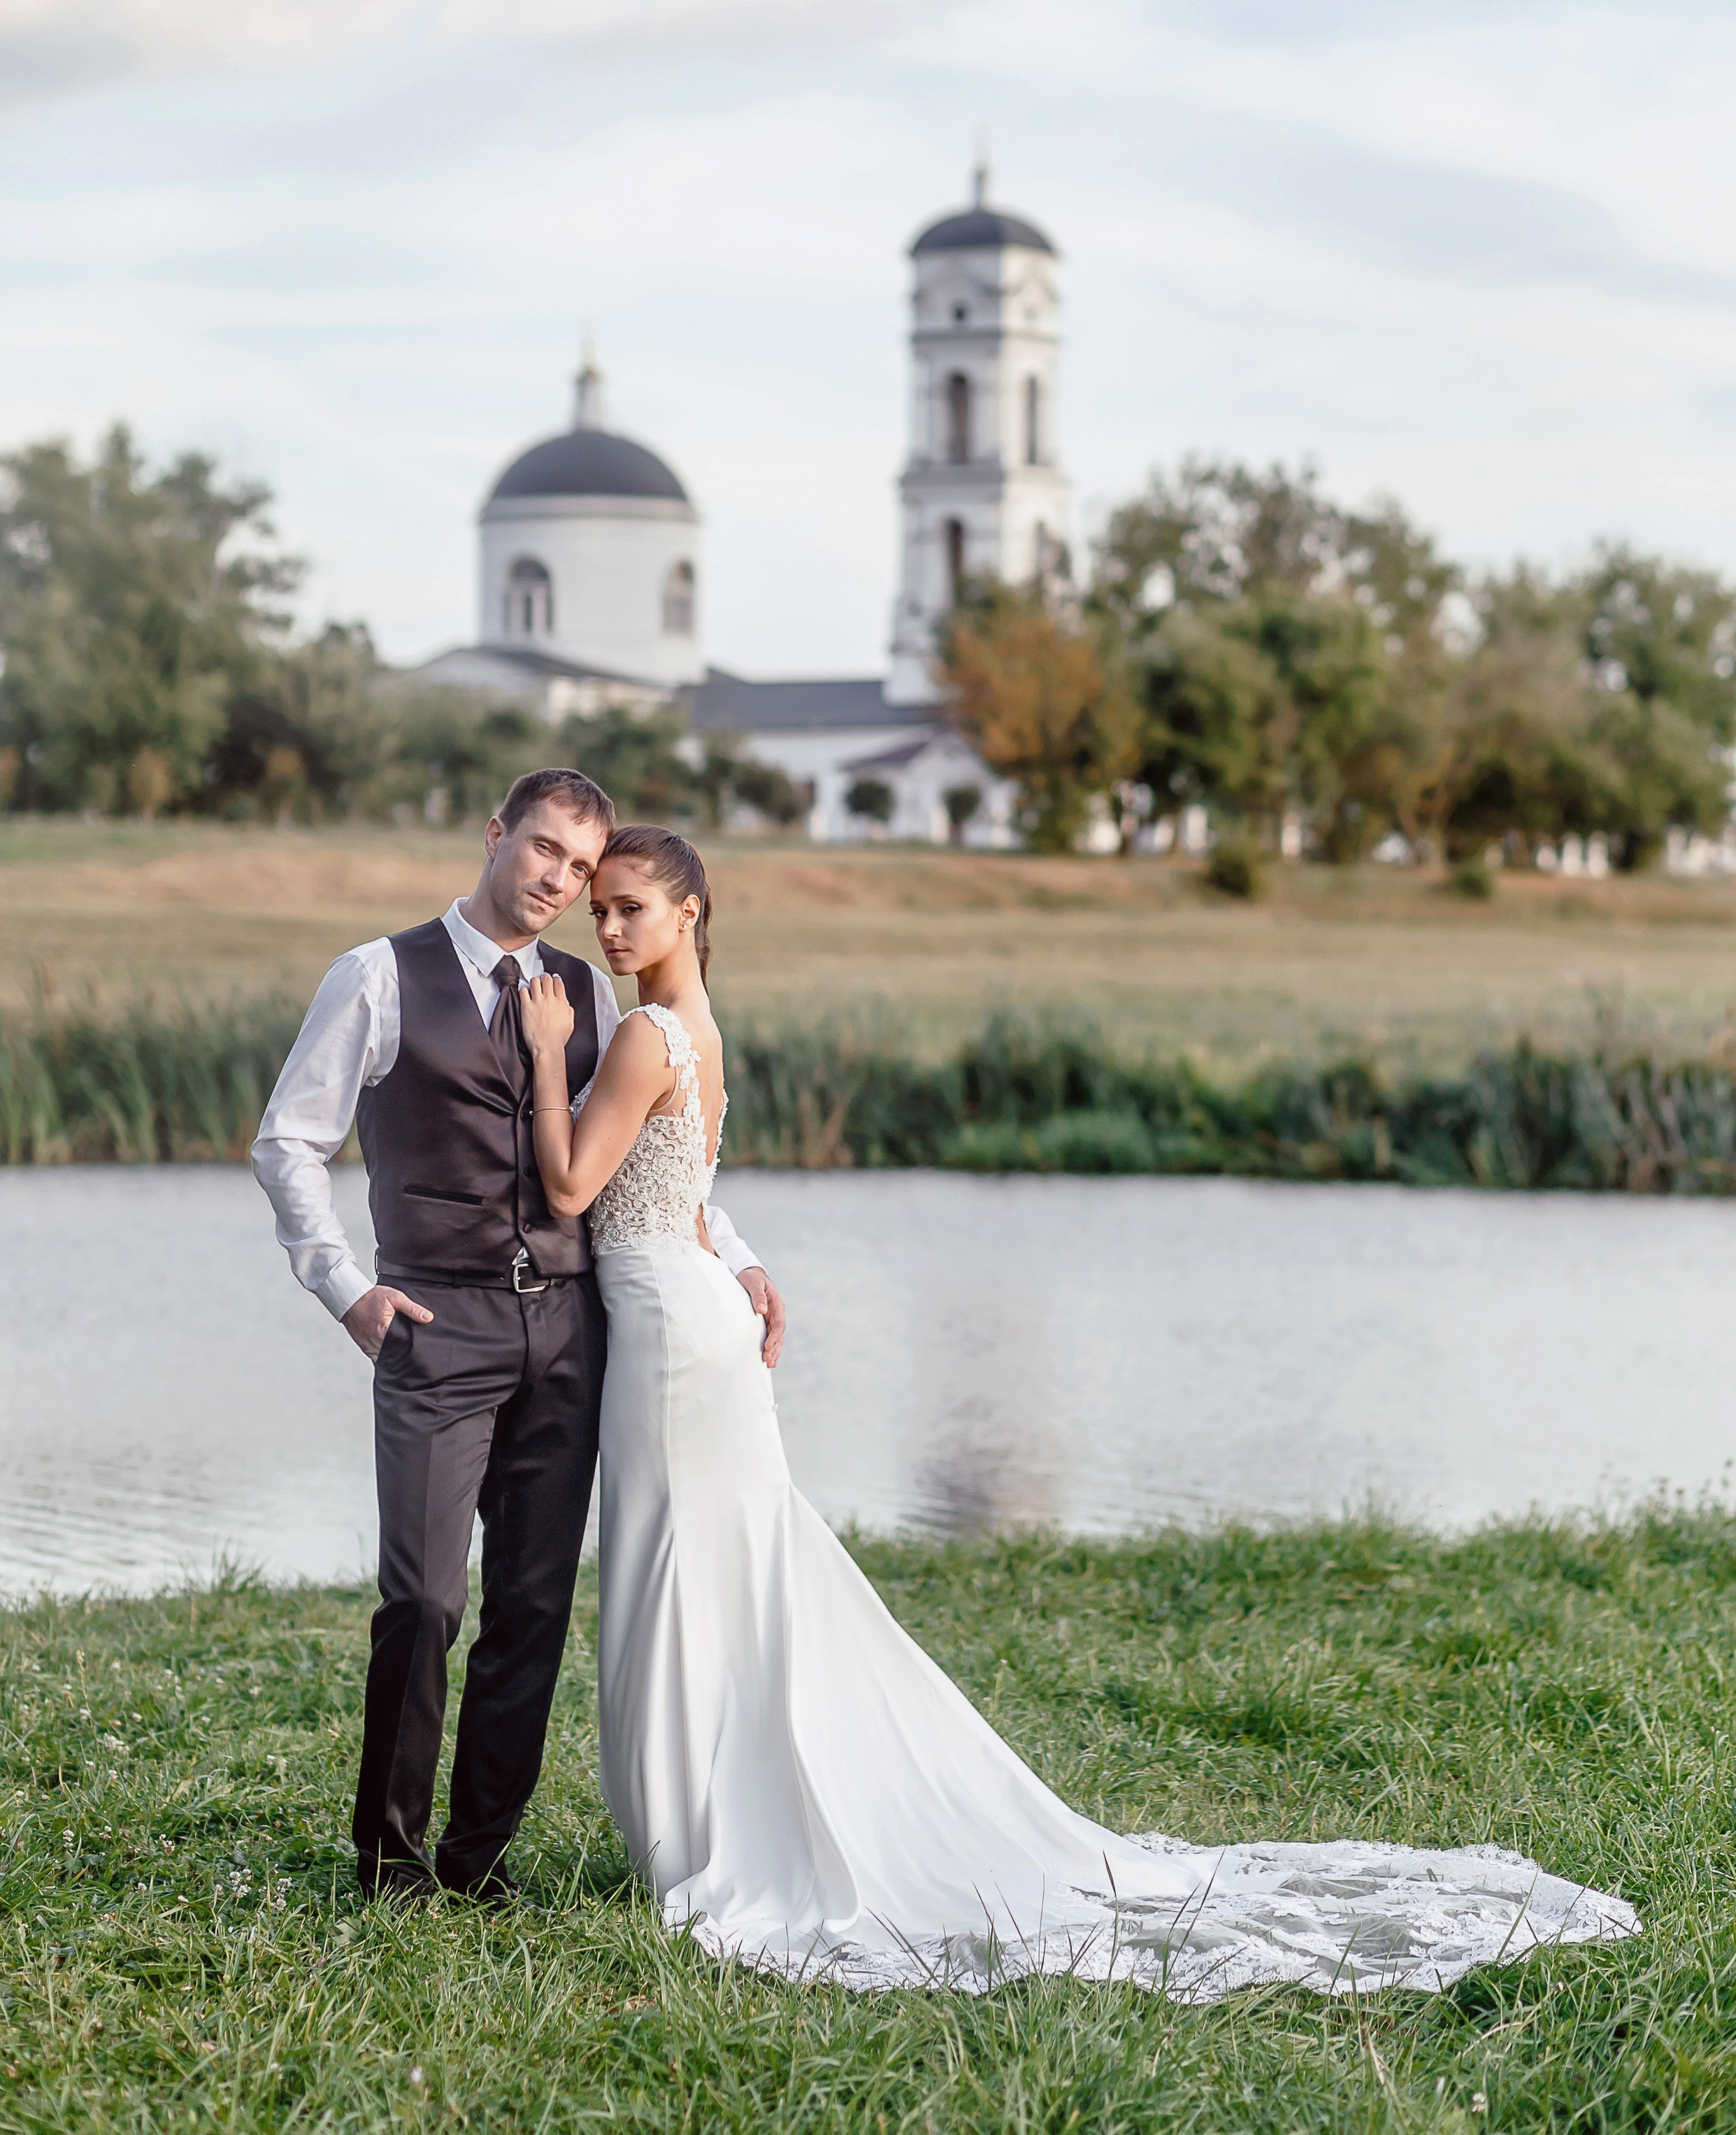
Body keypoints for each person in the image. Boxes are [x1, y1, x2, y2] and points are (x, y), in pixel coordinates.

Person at [519, 823, 1640, 1998]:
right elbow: (688, 1211)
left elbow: (572, 1185)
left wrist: (550, 1055)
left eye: (630, 907)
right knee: (717, 1565)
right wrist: (740, 1267)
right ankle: (723, 1811)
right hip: (686, 1317)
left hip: (671, 1337)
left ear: (689, 913)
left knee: (692, 1565)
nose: (607, 928)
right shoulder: (696, 1029)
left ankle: (719, 1828)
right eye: (601, 908)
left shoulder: (643, 1034)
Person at [250, 768, 785, 1901]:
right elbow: (288, 1143)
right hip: (435, 1329)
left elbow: (650, 1157)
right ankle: (390, 1864)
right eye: (544, 850)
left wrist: (732, 1255)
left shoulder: (598, 1001)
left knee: (533, 1606)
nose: (560, 881)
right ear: (496, 835)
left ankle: (478, 1860)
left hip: (571, 1333)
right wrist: (346, 1287)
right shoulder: (376, 976)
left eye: (586, 870)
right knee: (424, 1599)